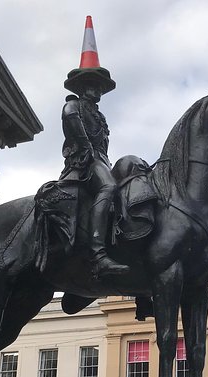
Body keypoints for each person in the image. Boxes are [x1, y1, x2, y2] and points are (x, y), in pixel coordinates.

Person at [61, 18, 129, 278]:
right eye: (92, 84)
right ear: (81, 87)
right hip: (83, 164)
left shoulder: (99, 116)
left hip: (100, 162)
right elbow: (83, 143)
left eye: (99, 87)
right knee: (109, 187)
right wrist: (96, 161)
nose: (97, 90)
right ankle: (98, 254)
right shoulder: (72, 108)